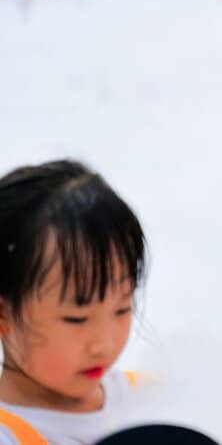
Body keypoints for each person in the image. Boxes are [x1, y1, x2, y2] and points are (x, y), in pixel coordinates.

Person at [0, 160, 147, 444]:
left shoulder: (146, 400)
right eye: (76, 318)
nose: (103, 344)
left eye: (122, 309)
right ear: (3, 314)